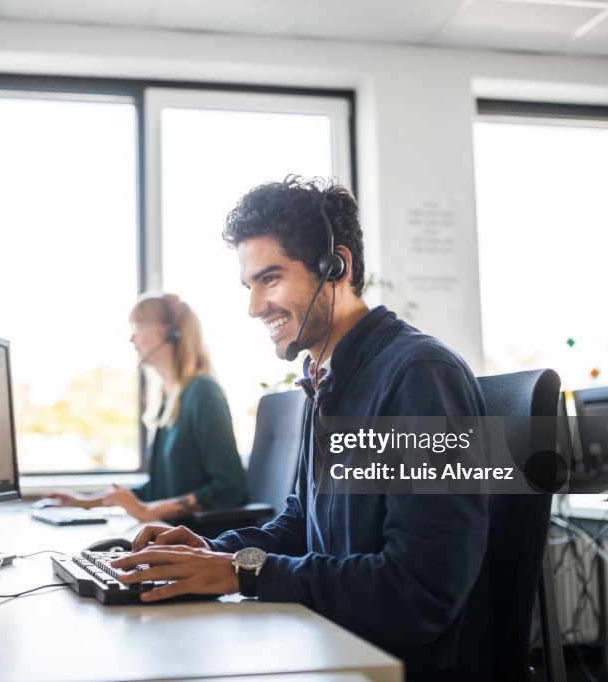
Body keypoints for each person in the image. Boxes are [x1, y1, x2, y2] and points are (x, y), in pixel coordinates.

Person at [111, 177, 492, 681]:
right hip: (327, 643)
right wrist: (216, 551)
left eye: (270, 279)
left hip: (387, 666)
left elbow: (416, 592)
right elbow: (300, 526)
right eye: (250, 286)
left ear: (338, 266)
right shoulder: (328, 380)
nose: (254, 307)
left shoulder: (418, 377)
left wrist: (238, 573)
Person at [48, 293, 247, 524]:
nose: (132, 338)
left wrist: (150, 512)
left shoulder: (203, 392)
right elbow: (157, 490)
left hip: (201, 541)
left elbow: (229, 487)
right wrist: (84, 502)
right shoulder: (169, 400)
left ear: (172, 332)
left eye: (140, 326)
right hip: (169, 534)